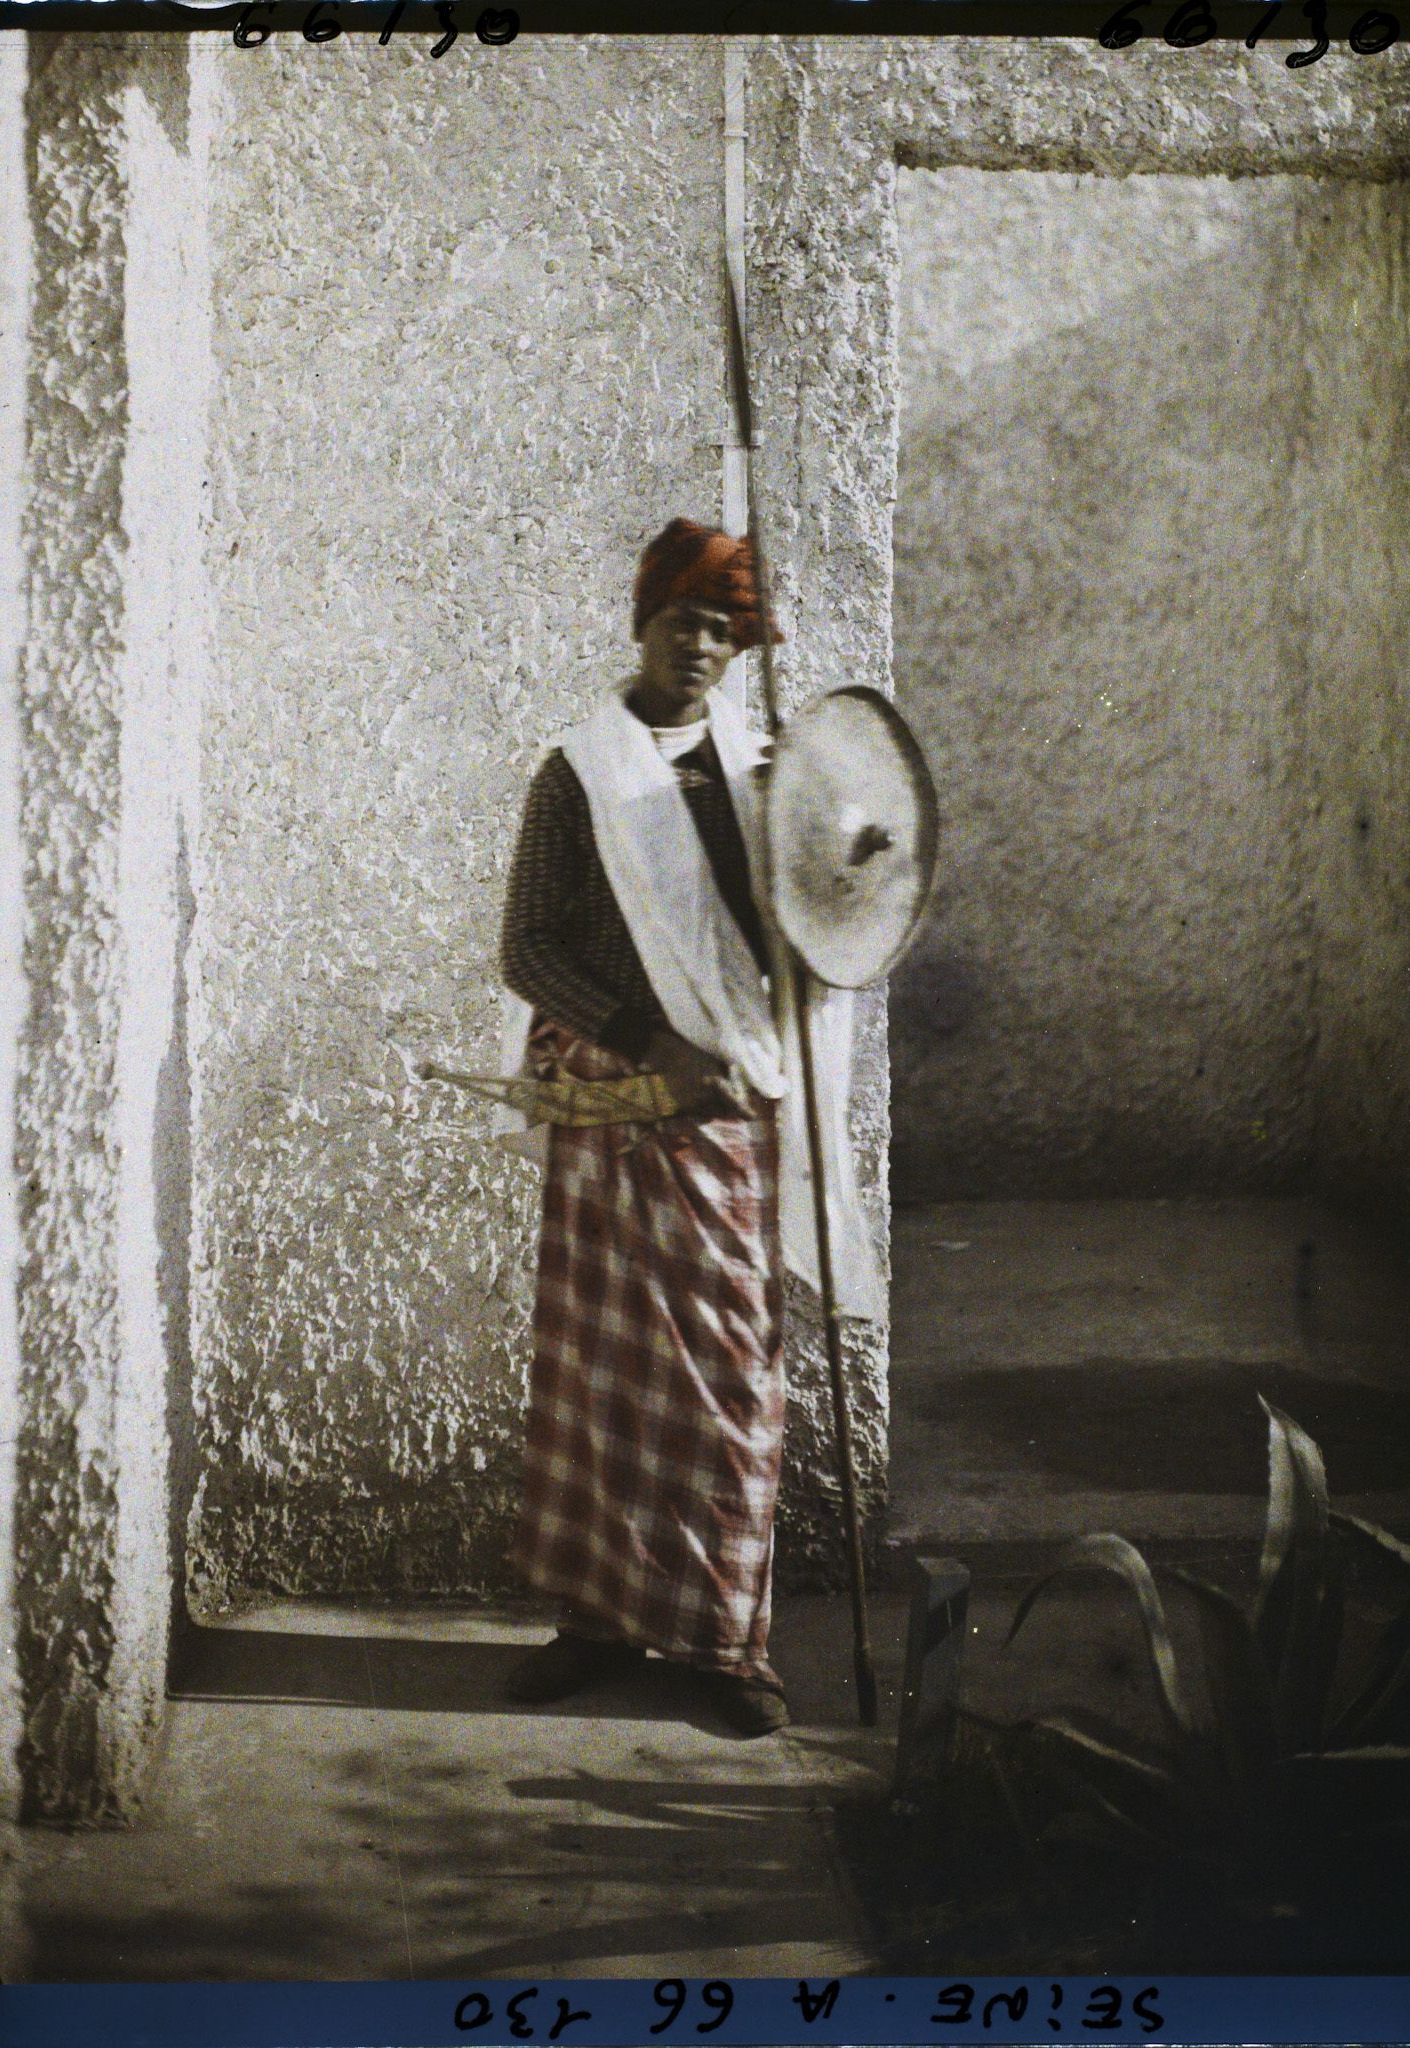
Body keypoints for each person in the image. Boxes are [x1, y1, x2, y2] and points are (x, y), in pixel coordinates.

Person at [498, 517, 796, 1737]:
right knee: (599, 1369)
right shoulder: (581, 772)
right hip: (613, 1097)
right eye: (685, 622)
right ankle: (594, 1617)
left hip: (726, 1098)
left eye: (724, 632)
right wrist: (643, 1035)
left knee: (731, 1367)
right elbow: (526, 947)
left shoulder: (760, 772)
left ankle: (726, 1641)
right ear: (643, 622)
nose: (701, 648)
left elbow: (814, 925)